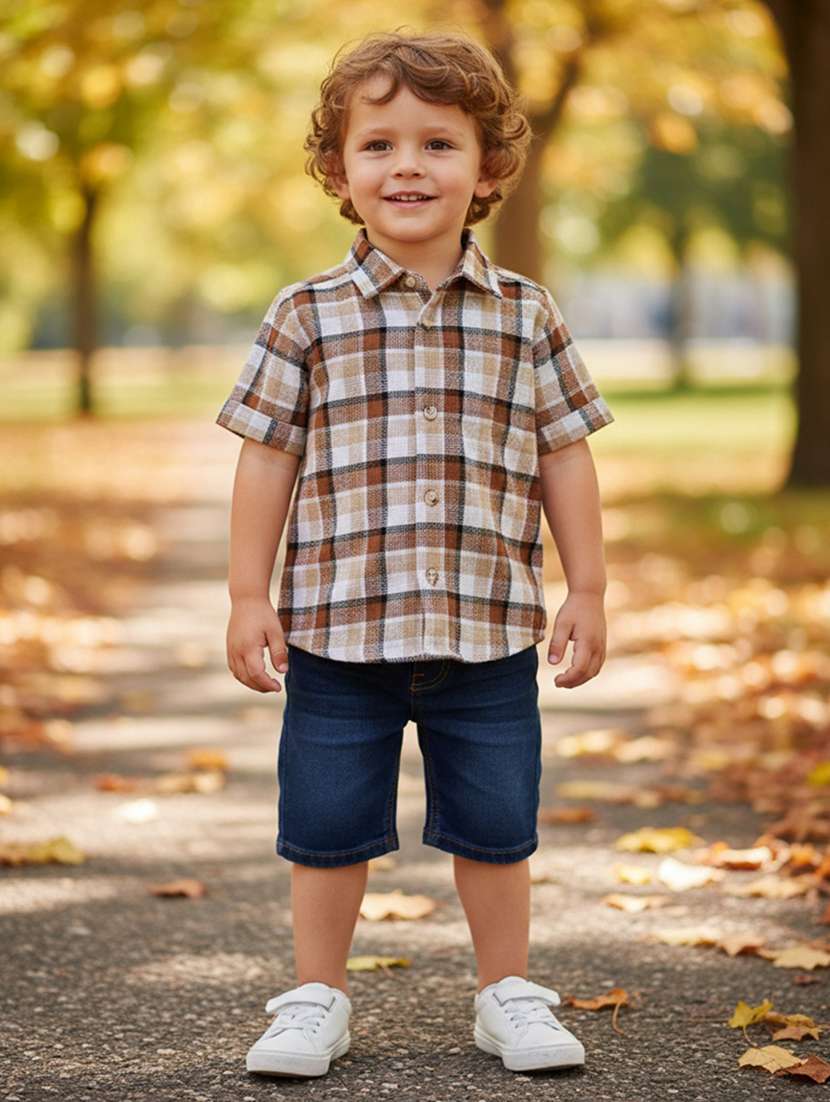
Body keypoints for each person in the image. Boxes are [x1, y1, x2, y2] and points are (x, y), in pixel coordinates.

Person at [216, 27, 615, 1080]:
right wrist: (244, 595)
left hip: (485, 632)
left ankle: (504, 993)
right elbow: (266, 460)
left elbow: (564, 457)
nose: (405, 165)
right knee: (324, 821)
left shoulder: (526, 314)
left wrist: (589, 587)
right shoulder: (304, 314)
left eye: (437, 143)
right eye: (377, 144)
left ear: (486, 167)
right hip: (338, 633)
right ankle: (315, 995)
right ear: (337, 170)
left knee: (496, 821)